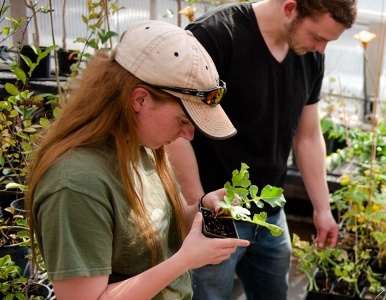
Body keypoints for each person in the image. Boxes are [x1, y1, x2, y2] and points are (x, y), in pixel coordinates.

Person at [23, 20, 250, 300]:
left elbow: (165, 225)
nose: (189, 135)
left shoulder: (143, 145)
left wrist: (202, 210)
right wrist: (184, 261)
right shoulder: (75, 184)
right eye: (183, 119)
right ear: (139, 99)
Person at [165, 0, 357, 299]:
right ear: (290, 8)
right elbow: (176, 130)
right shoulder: (215, 36)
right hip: (218, 214)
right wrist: (200, 211)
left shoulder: (309, 56)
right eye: (318, 37)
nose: (322, 49)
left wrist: (322, 208)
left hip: (269, 213)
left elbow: (307, 136)